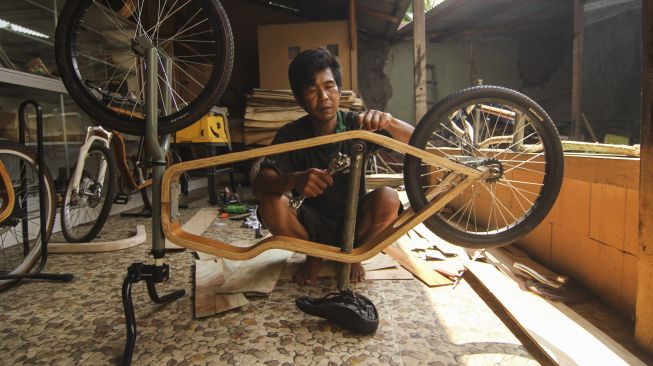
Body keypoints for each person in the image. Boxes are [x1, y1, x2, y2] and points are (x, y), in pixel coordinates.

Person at [252, 48, 414, 285]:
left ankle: (352, 255)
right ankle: (315, 255)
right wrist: (294, 180)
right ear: (299, 99)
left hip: (356, 219)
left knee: (389, 198)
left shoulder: (358, 125)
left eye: (329, 86)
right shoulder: (292, 134)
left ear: (339, 89)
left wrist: (389, 121)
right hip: (311, 222)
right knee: (270, 204)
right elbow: (259, 184)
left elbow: (419, 143)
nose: (324, 97)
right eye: (312, 90)